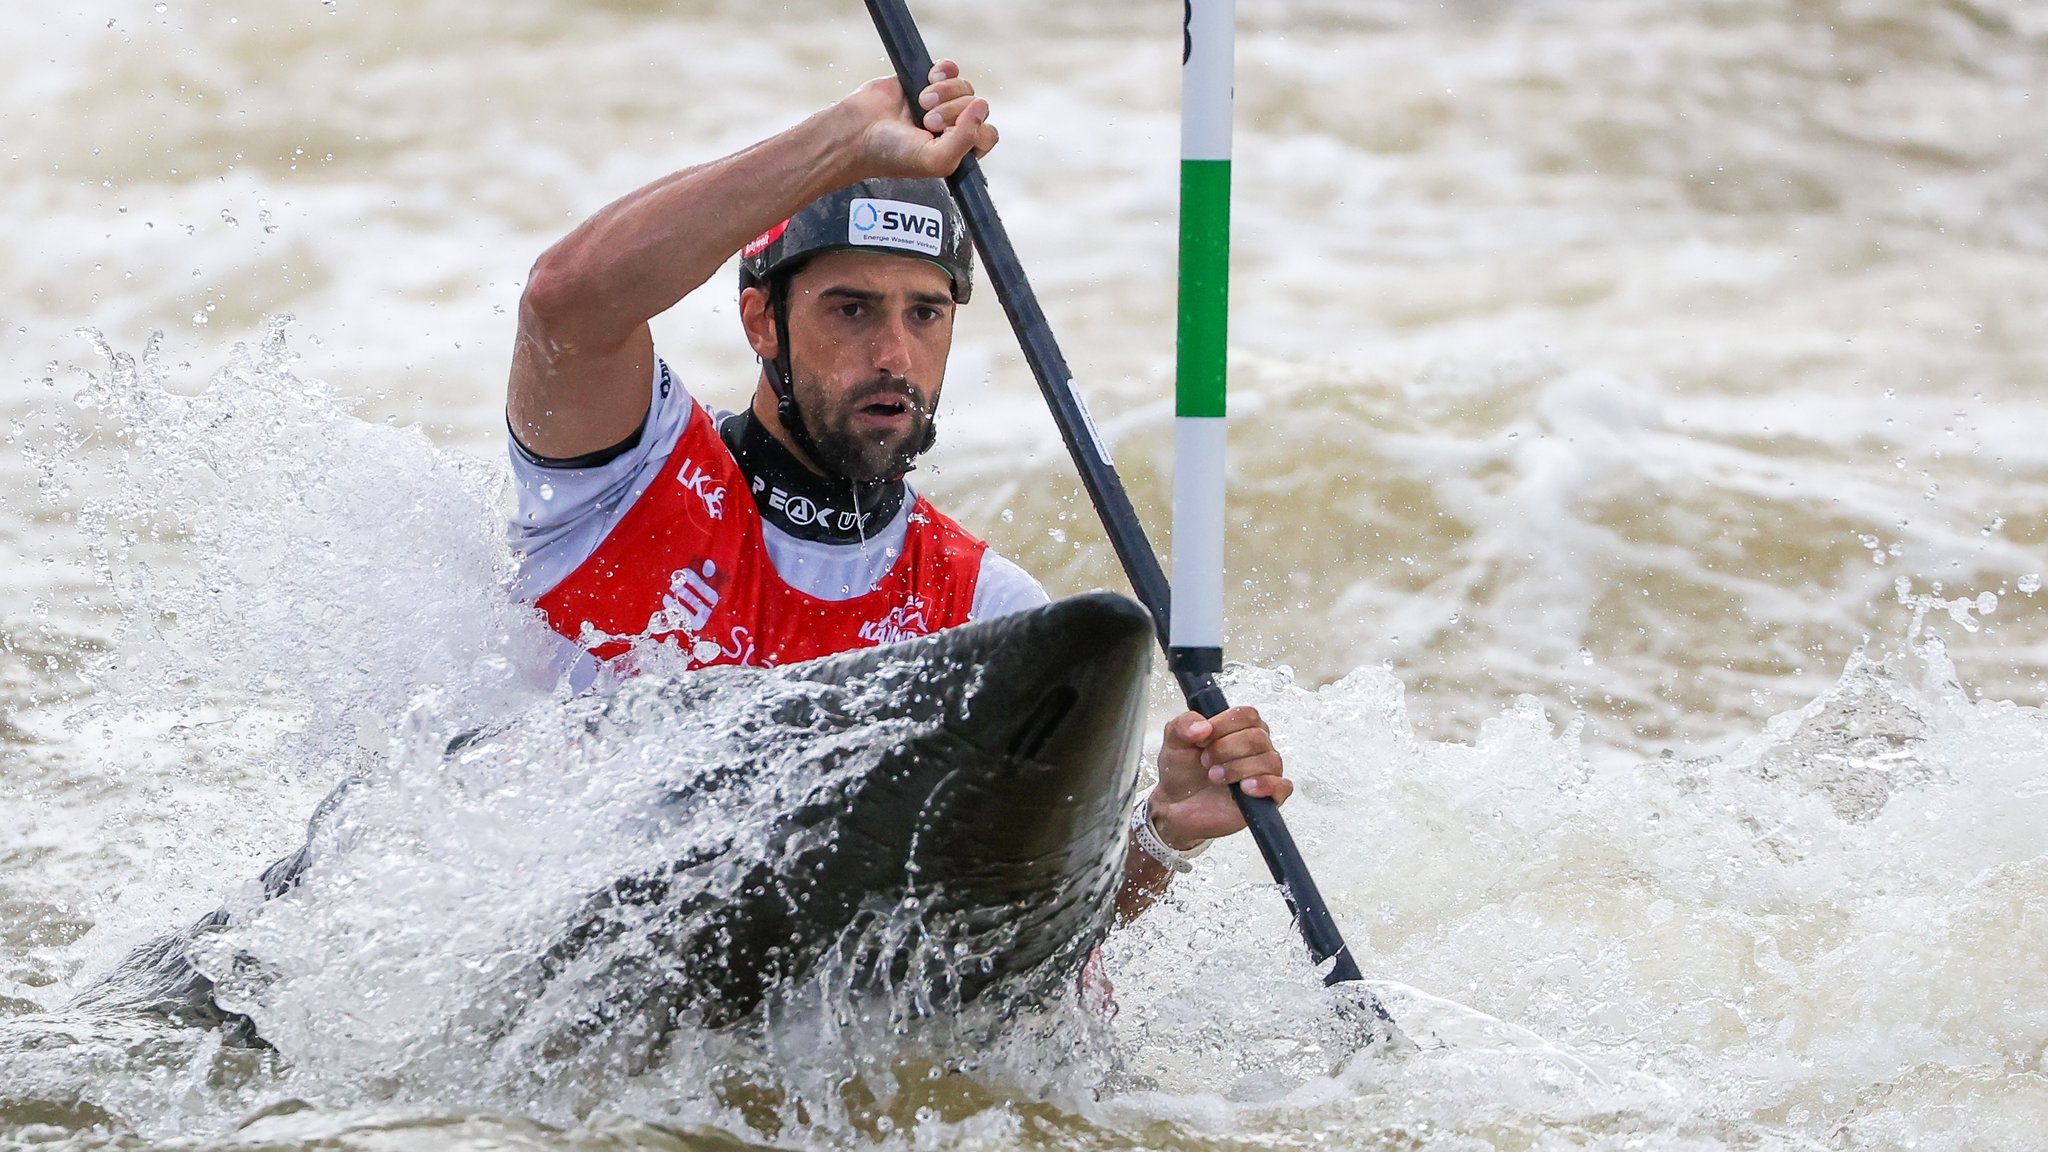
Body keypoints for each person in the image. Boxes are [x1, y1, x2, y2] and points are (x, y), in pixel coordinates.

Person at [503, 60, 1290, 918]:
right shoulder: (629, 478)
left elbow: (1017, 940)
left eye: (926, 313)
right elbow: (563, 301)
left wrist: (1162, 835)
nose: (894, 356)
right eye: (851, 309)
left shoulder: (987, 613)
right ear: (763, 320)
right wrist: (838, 143)